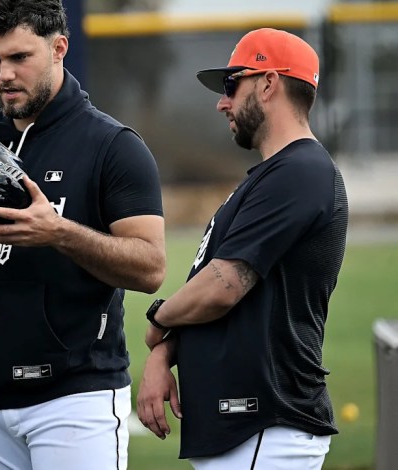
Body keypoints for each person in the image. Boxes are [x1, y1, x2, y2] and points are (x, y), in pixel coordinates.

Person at [0, 0, 165, 468]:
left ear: (59, 48)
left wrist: (57, 232)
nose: (4, 74)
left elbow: (151, 268)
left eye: (20, 58)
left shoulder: (112, 145)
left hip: (75, 396)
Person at [136, 28, 349, 469]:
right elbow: (220, 293)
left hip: (265, 426)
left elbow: (223, 286)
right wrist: (166, 352)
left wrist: (158, 319)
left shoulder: (301, 171)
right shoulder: (274, 175)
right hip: (249, 431)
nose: (222, 102)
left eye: (233, 86)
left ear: (269, 84)